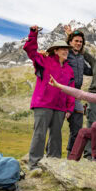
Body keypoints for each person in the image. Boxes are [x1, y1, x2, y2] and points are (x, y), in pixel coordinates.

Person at [23, 25, 75, 170]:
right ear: (55, 51)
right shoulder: (44, 60)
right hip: (43, 104)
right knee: (39, 134)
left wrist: (69, 107)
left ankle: (54, 163)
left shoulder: (69, 69)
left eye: (67, 49)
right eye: (63, 49)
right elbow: (30, 50)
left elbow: (71, 90)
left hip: (60, 107)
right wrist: (33, 34)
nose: (66, 51)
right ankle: (34, 164)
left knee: (56, 136)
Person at [63, 26, 93, 157]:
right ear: (70, 42)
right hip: (62, 93)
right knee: (55, 127)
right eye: (76, 41)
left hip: (76, 94)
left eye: (81, 41)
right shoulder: (65, 53)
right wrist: (68, 35)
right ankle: (51, 155)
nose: (78, 43)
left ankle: (72, 156)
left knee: (77, 128)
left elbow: (89, 71)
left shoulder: (81, 57)